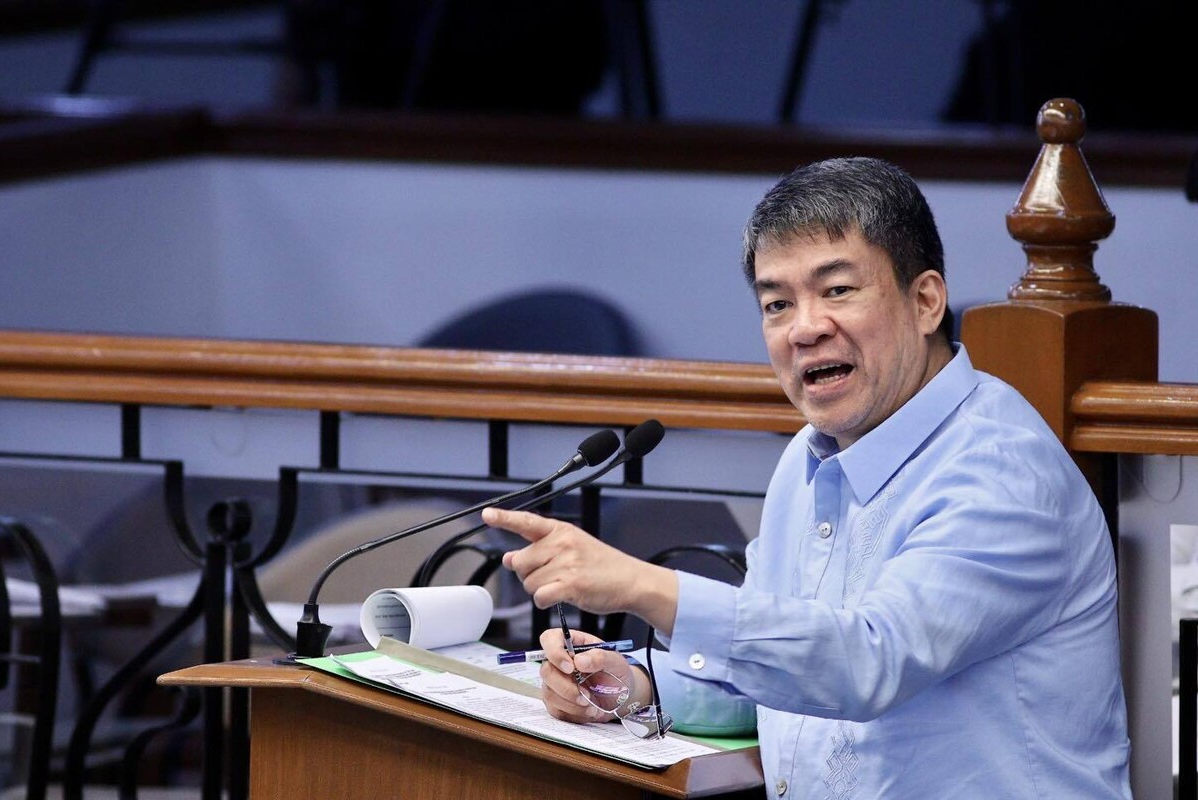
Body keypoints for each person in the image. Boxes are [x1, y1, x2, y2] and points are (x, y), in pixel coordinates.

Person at [482, 157, 1132, 798]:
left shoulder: (1000, 467)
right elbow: (787, 677)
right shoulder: (807, 457)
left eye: (838, 290)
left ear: (925, 301)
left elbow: (869, 661)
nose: (805, 328)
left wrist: (643, 586)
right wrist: (631, 687)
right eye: (777, 304)